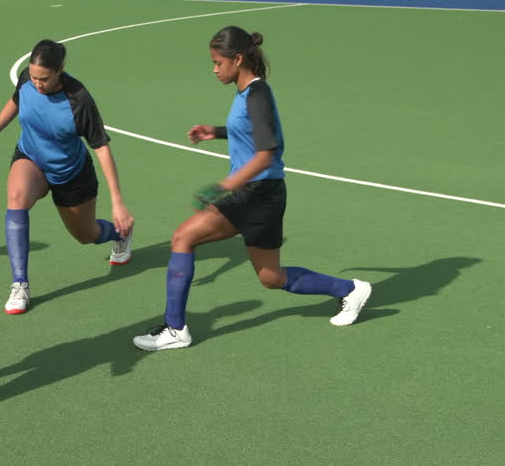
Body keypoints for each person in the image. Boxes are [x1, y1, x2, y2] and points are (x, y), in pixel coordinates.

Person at [132, 26, 371, 352]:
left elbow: (267, 150)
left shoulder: (257, 94)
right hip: (265, 194)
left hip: (256, 193)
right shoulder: (248, 93)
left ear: (238, 59)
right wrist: (214, 131)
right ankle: (350, 289)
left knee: (183, 237)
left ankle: (175, 329)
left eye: (218, 62)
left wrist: (226, 184)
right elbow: (250, 132)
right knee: (271, 277)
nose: (214, 69)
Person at [0, 39, 134, 316]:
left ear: (61, 70)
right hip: (31, 157)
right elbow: (15, 101)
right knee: (16, 198)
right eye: (33, 77)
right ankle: (20, 283)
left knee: (86, 235)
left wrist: (118, 203)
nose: (37, 84)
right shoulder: (27, 79)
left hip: (71, 173)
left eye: (44, 79)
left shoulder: (79, 99)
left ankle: (121, 234)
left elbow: (102, 148)